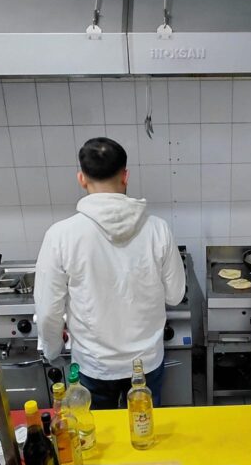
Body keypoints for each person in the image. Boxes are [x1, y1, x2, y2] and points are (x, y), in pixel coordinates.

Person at [35, 137, 185, 409]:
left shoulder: (60, 235)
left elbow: (48, 311)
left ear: (81, 179)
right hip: (145, 363)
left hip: (94, 365)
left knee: (97, 433)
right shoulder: (158, 229)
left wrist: (52, 349)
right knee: (144, 430)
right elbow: (175, 295)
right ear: (125, 176)